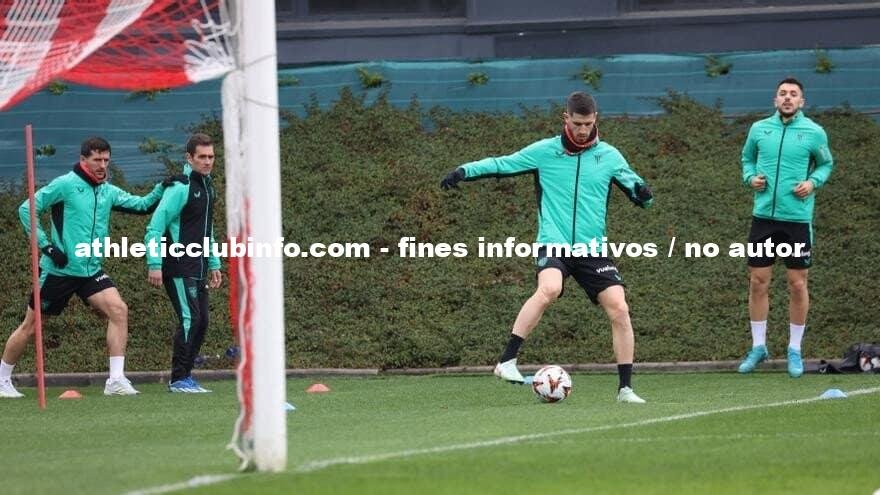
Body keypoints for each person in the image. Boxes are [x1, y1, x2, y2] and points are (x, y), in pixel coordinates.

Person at [440, 91, 654, 403]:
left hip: (592, 249)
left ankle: (625, 389)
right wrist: (464, 171)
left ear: (596, 121)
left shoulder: (609, 156)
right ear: (566, 119)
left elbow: (640, 192)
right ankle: (506, 361)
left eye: (589, 124)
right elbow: (503, 163)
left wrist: (644, 195)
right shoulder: (544, 152)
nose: (583, 130)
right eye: (578, 123)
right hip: (553, 243)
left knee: (620, 309)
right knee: (549, 289)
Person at [0, 136, 179, 398]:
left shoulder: (108, 190)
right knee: (31, 326)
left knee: (118, 310)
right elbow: (27, 209)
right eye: (97, 160)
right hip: (58, 271)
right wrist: (46, 246)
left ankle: (115, 380)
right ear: (83, 159)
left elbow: (141, 206)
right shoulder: (65, 184)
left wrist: (161, 188)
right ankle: (2, 379)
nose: (102, 165)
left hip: (90, 270)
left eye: (106, 160)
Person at [738, 77, 834, 378]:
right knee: (758, 281)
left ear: (802, 101)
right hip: (764, 217)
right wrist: (750, 178)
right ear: (775, 99)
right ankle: (758, 347)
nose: (788, 98)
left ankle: (794, 349)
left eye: (793, 94)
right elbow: (746, 160)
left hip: (797, 220)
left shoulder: (814, 132)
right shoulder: (759, 129)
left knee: (797, 283)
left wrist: (812, 182)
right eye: (782, 94)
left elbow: (825, 164)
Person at [145, 133, 221, 393]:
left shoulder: (208, 187)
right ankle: (178, 379)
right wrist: (154, 263)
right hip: (178, 265)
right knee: (190, 319)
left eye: (211, 156)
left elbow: (207, 228)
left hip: (199, 266)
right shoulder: (180, 187)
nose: (208, 161)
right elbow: (155, 227)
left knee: (202, 322)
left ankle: (186, 377)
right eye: (202, 157)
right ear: (189, 158)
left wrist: (214, 263)